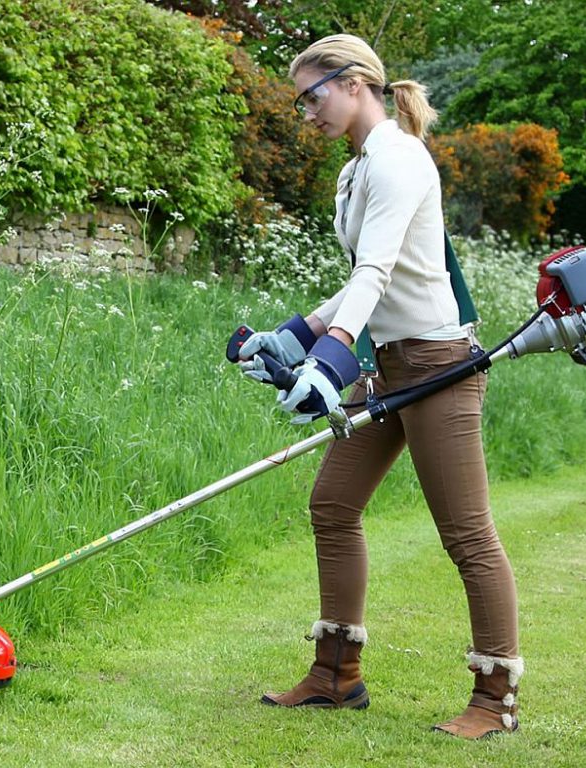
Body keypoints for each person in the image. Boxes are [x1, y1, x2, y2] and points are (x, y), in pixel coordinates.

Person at [237, 33, 523, 739]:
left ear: (355, 81)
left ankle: (495, 700)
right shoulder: (358, 167)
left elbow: (378, 276)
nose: (305, 113)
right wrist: (296, 334)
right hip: (394, 364)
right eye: (300, 100)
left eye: (312, 96)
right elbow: (362, 276)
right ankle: (336, 676)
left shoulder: (398, 159)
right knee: (332, 505)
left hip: (440, 367)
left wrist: (331, 359)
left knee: (468, 536)